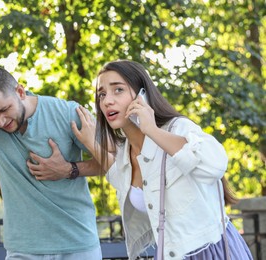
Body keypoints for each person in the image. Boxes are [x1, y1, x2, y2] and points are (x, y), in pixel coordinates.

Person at [72, 60, 253, 259]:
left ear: (143, 95)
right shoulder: (126, 152)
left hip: (211, 251)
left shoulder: (178, 128)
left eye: (118, 90)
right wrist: (91, 144)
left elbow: (215, 165)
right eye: (102, 94)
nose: (107, 101)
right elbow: (119, 176)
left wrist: (151, 129)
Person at [0, 62, 102, 260]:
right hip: (23, 250)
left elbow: (114, 161)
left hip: (78, 244)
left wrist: (69, 169)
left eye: (4, 110)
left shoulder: (67, 113)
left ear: (21, 92)